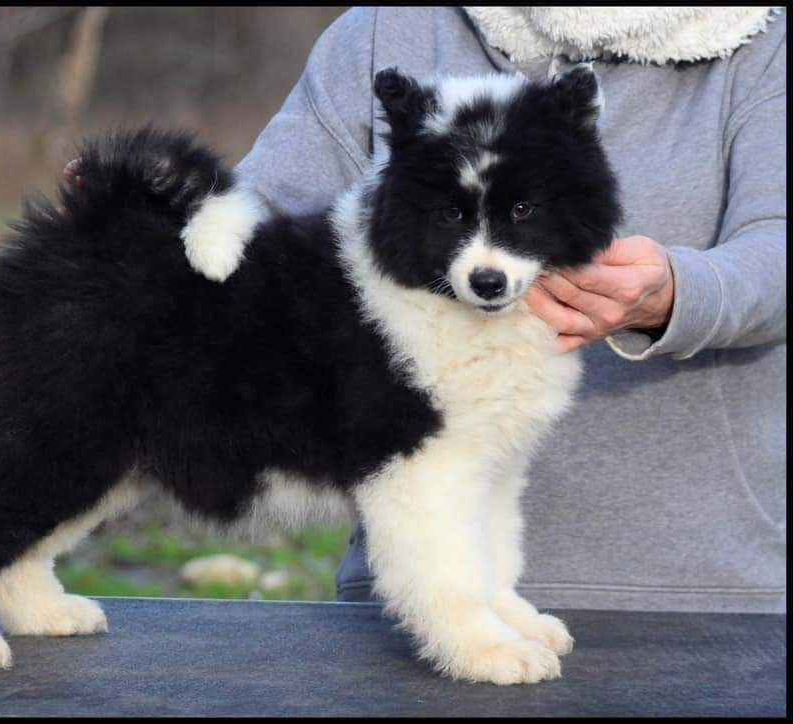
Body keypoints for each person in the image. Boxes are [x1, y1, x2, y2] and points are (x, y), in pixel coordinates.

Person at [70, 7, 786, 613]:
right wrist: (166, 222)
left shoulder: (759, 37)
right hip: (417, 587)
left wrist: (680, 293)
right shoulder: (392, 27)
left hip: (710, 592)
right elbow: (267, 221)